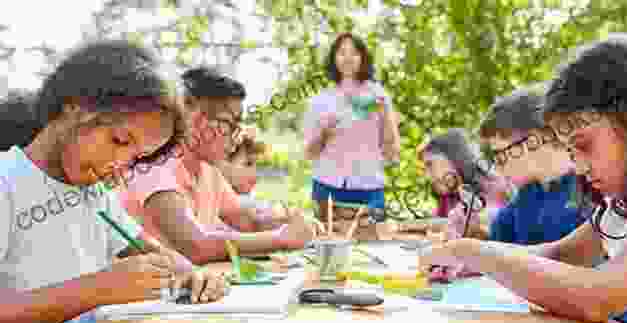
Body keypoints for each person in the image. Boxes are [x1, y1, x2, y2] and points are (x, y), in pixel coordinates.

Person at [420, 34, 627, 323]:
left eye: (584, 145)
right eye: (570, 151)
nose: (578, 166)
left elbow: (599, 295)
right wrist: (469, 258)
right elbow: (557, 254)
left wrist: (470, 252)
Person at [0, 40, 229, 323]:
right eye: (119, 140)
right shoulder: (7, 183)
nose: (120, 165)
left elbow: (152, 254)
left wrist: (194, 275)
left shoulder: (93, 194)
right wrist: (99, 288)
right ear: (73, 107)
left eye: (136, 157)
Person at [120, 66, 314, 264]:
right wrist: (280, 239)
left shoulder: (207, 172)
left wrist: (296, 225)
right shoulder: (153, 168)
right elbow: (195, 246)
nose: (236, 137)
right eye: (229, 123)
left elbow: (246, 222)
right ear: (192, 119)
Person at [302, 32, 401, 237]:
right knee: (327, 248)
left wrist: (386, 116)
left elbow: (392, 152)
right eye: (341, 52)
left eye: (354, 53)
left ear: (363, 58)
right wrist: (324, 133)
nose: (347, 58)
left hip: (370, 188)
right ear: (334, 59)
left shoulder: (378, 95)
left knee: (377, 245)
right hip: (326, 186)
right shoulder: (320, 101)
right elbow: (309, 154)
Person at [478, 85, 586, 246]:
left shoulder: (589, 188)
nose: (497, 167)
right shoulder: (529, 193)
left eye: (500, 155)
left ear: (533, 140)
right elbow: (496, 245)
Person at [416, 129, 510, 282]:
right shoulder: (454, 193)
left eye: (430, 165)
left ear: (452, 157)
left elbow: (484, 229)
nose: (428, 175)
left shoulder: (492, 187)